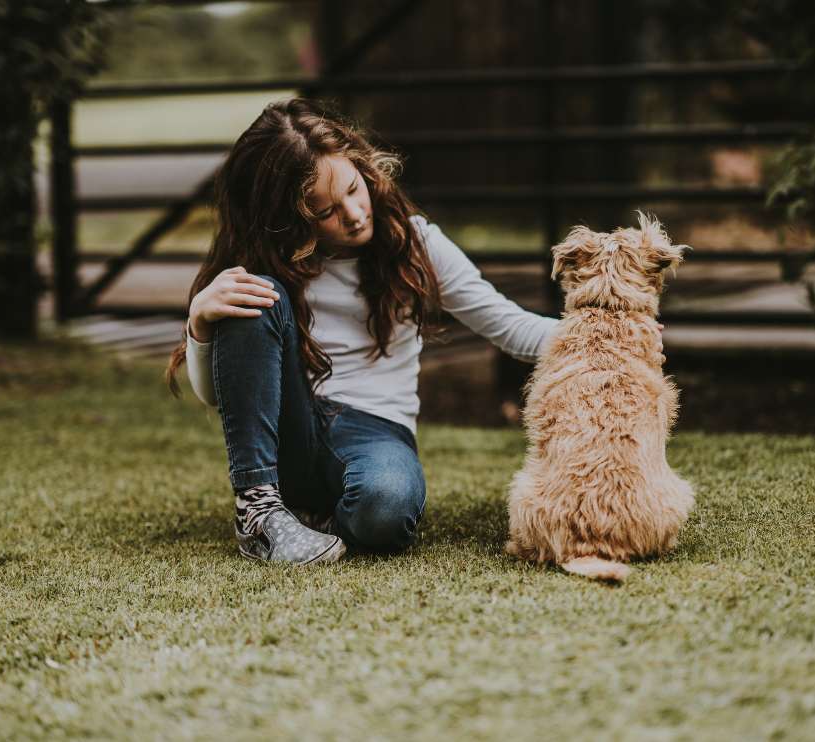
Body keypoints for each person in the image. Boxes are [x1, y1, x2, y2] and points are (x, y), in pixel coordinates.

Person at [164, 98, 564, 566]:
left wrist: (611, 334)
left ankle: (311, 522)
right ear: (289, 219)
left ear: (364, 167)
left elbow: (511, 326)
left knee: (387, 510)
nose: (354, 214)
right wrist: (200, 324)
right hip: (291, 427)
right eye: (325, 212)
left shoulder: (417, 244)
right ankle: (259, 513)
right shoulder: (261, 268)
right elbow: (218, 399)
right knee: (253, 293)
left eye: (354, 189)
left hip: (377, 429)